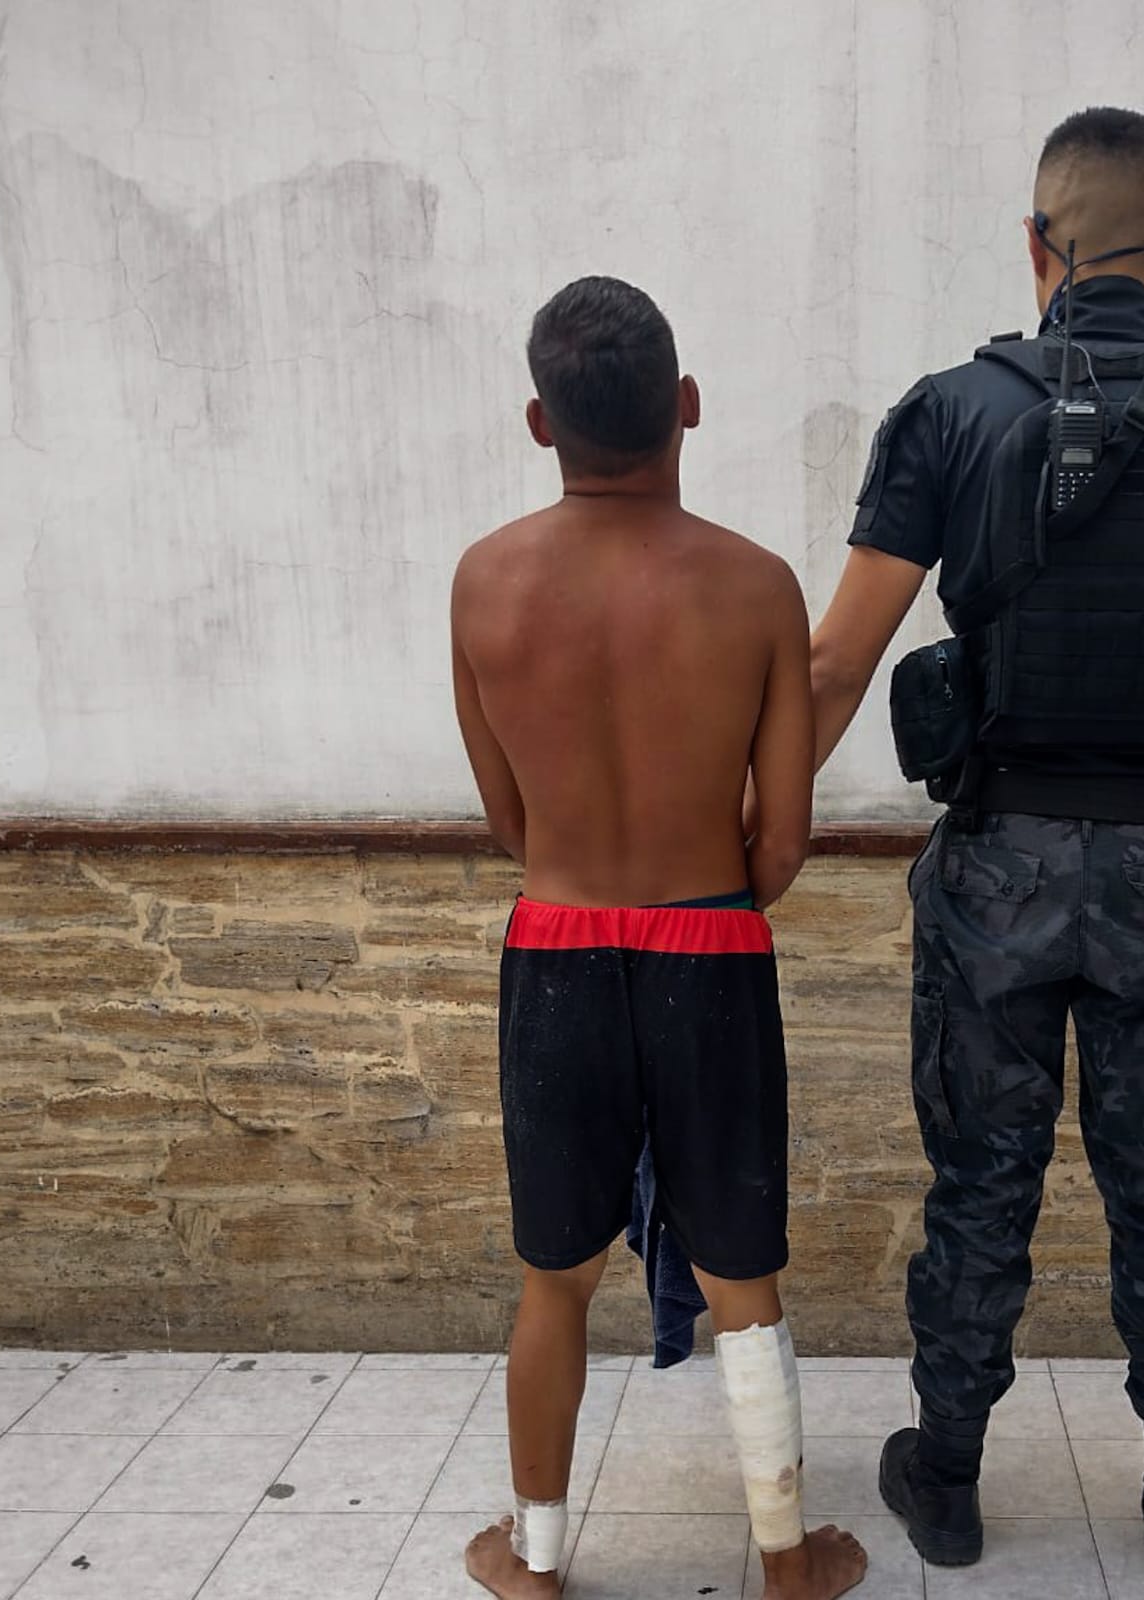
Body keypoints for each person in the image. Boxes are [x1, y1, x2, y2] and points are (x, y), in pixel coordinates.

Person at [802, 109, 1144, 1587]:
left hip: (996, 872)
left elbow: (837, 665)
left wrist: (759, 830)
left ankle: (955, 1484)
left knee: (980, 1185)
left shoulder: (949, 414)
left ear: (1034, 245)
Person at [450, 276, 867, 1600]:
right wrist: (704, 888)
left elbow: (511, 822)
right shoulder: (754, 588)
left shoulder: (484, 583)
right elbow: (784, 843)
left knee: (553, 1276)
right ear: (687, 408)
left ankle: (536, 1557)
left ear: (538, 422)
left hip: (556, 942)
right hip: (713, 948)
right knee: (743, 1268)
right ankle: (787, 1558)